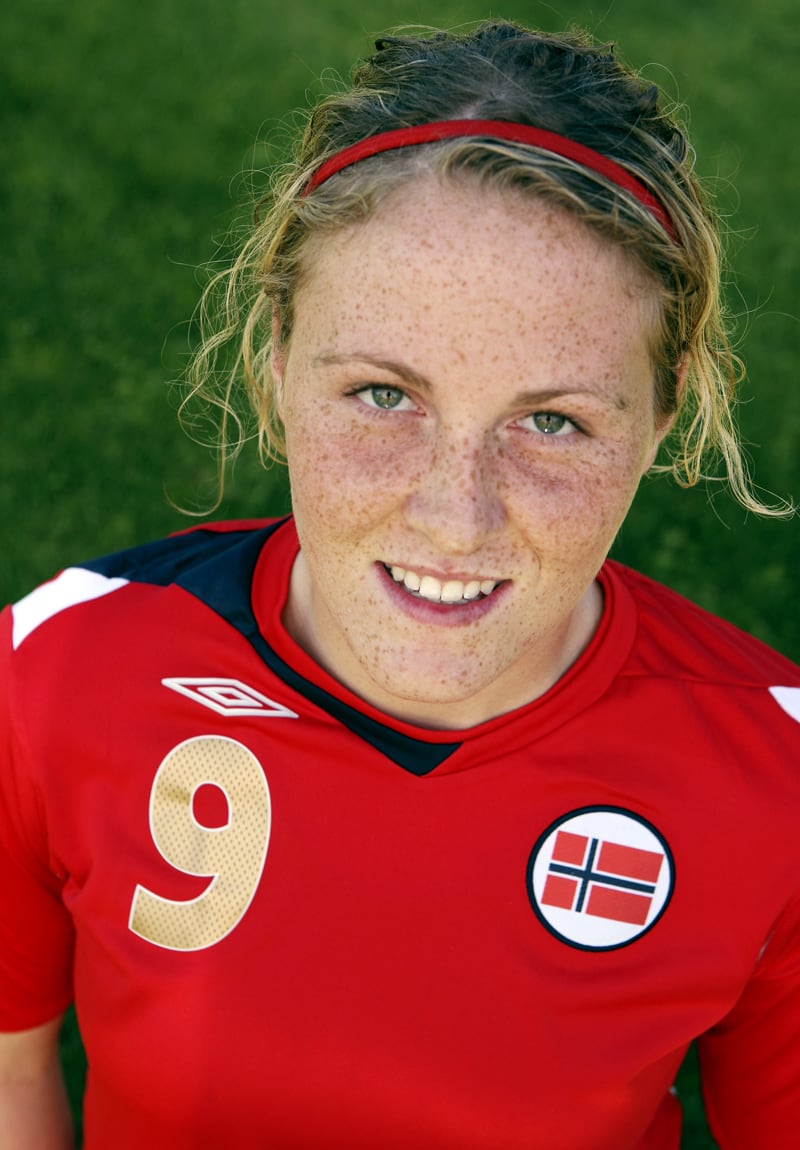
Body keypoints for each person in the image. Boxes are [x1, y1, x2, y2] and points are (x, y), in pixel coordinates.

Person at [0, 19, 798, 1150]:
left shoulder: (775, 784)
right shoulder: (59, 668)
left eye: (551, 421)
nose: (454, 516)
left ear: (662, 415)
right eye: (384, 395)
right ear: (279, 355)